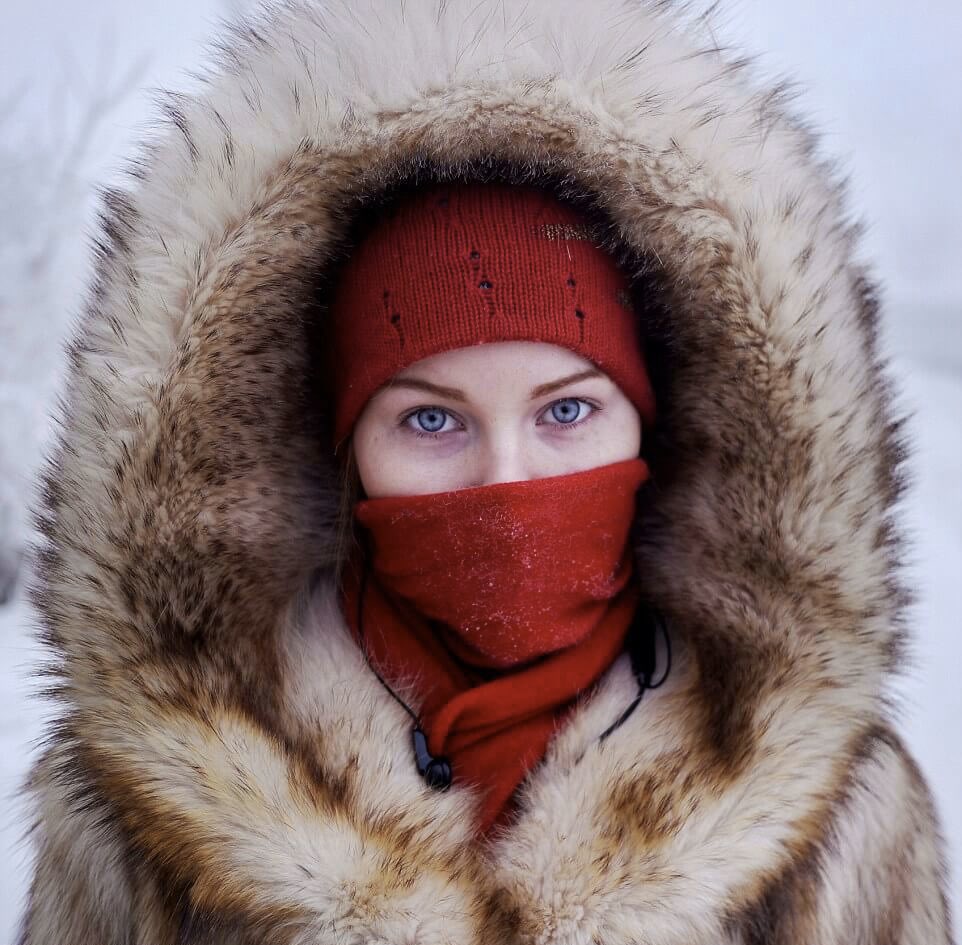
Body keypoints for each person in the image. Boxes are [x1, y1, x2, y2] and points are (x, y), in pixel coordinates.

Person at [18, 0, 954, 943]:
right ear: (341, 447)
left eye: (566, 410)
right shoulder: (143, 810)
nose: (505, 484)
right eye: (430, 417)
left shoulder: (839, 816)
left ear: (654, 426)